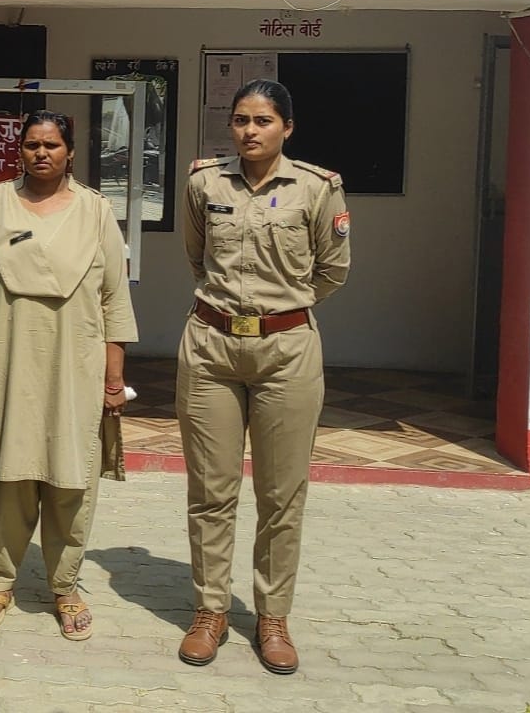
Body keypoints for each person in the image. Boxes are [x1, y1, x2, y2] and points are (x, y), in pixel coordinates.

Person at [175, 79, 350, 676]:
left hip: (286, 351)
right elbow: (196, 256)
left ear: (287, 127)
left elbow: (333, 269)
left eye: (264, 120)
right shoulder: (205, 183)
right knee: (211, 490)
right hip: (211, 347)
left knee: (281, 494)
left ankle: (273, 616)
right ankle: (210, 610)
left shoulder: (317, 188)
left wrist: (280, 310)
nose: (250, 131)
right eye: (241, 120)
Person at [0, 110, 137, 641]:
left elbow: (114, 298)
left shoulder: (96, 211)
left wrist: (113, 379)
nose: (41, 153)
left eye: (51, 145)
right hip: (7, 360)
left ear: (70, 152)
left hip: (74, 363)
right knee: (4, 476)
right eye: (32, 144)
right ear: (20, 151)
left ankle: (65, 585)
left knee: (70, 475)